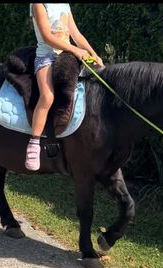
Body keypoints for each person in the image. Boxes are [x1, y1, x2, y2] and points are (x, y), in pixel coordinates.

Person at [25, 3, 103, 171]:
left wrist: (93, 54)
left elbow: (76, 34)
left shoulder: (64, 5)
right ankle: (34, 143)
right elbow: (47, 37)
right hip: (47, 57)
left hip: (67, 57)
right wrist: (76, 50)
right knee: (47, 96)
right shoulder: (39, 5)